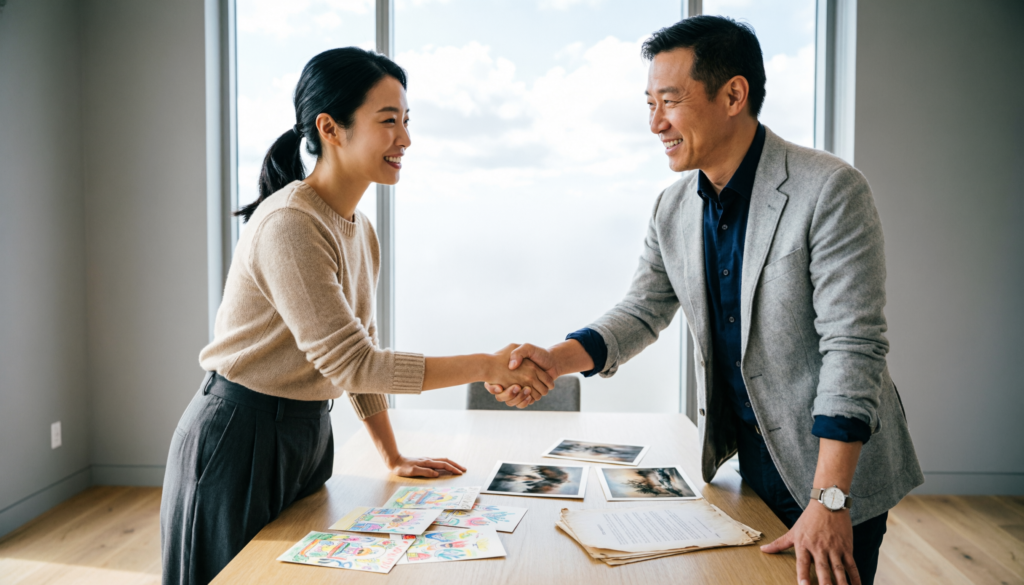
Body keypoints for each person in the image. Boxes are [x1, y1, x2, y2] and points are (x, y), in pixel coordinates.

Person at [485, 16, 922, 585]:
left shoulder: (830, 189)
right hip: (745, 466)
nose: (655, 123)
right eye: (648, 103)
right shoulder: (673, 206)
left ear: (733, 94)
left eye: (669, 101)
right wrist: (554, 359)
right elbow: (642, 310)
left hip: (835, 473)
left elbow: (853, 348)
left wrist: (831, 499)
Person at [160, 47, 552, 585]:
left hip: (305, 435)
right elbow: (355, 364)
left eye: (407, 121)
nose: (406, 140)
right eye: (388, 121)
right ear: (331, 128)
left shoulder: (358, 228)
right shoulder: (291, 224)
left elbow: (357, 349)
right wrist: (487, 365)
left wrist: (392, 454)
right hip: (240, 437)